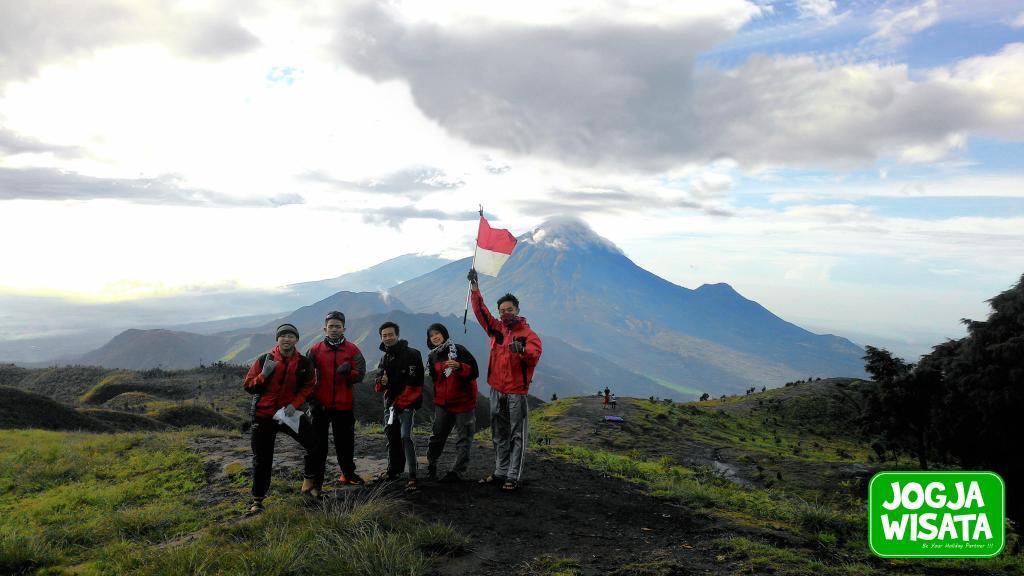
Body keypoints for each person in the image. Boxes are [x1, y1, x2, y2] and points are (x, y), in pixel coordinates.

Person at [468, 268, 542, 492]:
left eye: (509, 310)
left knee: (516, 434)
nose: (505, 314)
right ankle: (500, 471)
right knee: (498, 432)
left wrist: (522, 351)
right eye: (502, 311)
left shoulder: (528, 335)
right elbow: (481, 313)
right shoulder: (497, 329)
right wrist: (474, 288)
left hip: (516, 392)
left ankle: (513, 475)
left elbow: (534, 354)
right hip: (496, 389)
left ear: (517, 310)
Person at [242, 323, 317, 514]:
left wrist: (296, 403)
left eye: (291, 336)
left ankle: (309, 483)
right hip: (264, 415)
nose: (286, 339)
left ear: (296, 340)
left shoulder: (303, 362)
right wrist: (263, 375)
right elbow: (248, 386)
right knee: (262, 459)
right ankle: (257, 500)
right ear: (277, 339)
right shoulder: (264, 360)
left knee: (313, 444)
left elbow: (309, 385)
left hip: (289, 413)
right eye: (283, 336)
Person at [307, 310, 367, 492]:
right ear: (325, 328)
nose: (334, 329)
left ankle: (348, 474)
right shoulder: (315, 350)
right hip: (320, 406)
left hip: (344, 405)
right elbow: (306, 376)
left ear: (344, 329)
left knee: (345, 443)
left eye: (338, 326)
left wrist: (349, 373)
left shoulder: (353, 349)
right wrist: (311, 398)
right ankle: (317, 481)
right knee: (319, 445)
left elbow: (361, 375)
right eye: (331, 326)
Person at [424, 322, 480, 483]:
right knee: (437, 436)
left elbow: (474, 371)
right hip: (443, 404)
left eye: (437, 333)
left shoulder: (459, 350)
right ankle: (431, 464)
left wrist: (459, 366)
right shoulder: (432, 356)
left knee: (464, 438)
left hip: (463, 403)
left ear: (444, 333)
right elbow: (435, 380)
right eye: (431, 335)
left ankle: (457, 472)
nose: (435, 337)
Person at [373, 321, 424, 491]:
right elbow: (378, 384)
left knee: (405, 437)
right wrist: (382, 381)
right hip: (391, 406)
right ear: (381, 337)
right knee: (391, 437)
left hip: (407, 405)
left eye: (390, 334)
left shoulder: (412, 354)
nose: (387, 338)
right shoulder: (384, 357)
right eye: (384, 335)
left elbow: (415, 383)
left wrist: (402, 403)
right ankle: (393, 470)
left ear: (397, 334)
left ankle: (412, 475)